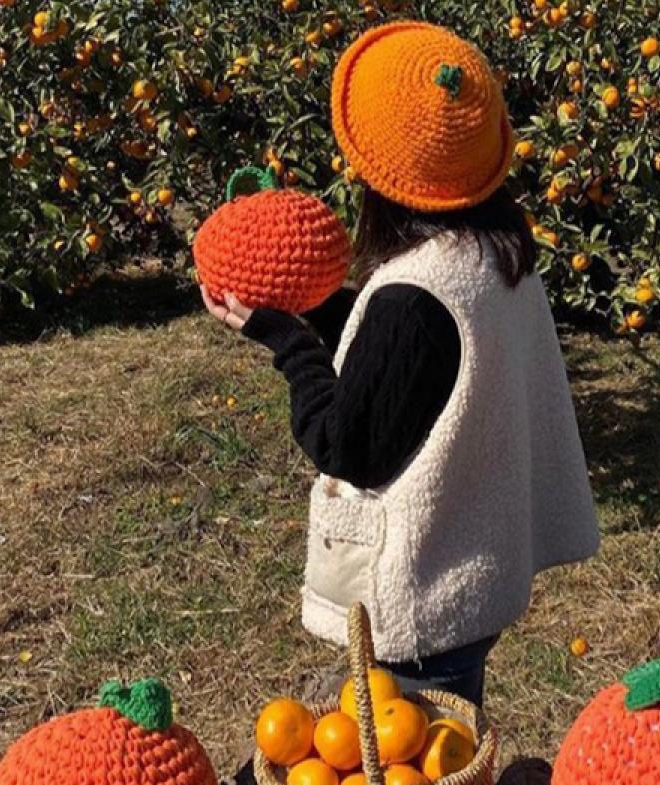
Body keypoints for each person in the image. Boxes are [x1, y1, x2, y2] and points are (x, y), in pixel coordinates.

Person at [203, 21, 600, 706]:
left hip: (424, 599)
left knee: (419, 755)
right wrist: (325, 310)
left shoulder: (414, 294)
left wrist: (287, 342)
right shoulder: (495, 250)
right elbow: (419, 360)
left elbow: (346, 445)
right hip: (476, 569)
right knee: (450, 735)